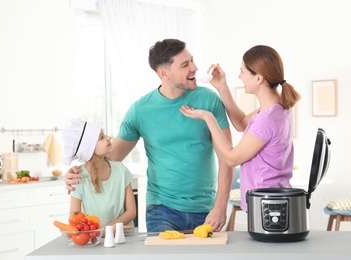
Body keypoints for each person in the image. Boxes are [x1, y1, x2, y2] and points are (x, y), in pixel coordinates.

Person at [65, 39, 233, 232]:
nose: (195, 68)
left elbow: (227, 158)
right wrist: (78, 173)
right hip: (161, 209)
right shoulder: (140, 110)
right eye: (185, 65)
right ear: (164, 73)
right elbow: (110, 158)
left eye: (192, 61)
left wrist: (220, 206)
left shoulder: (209, 100)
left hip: (207, 209)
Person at [180, 45, 301, 211]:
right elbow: (241, 123)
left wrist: (209, 118)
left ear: (258, 78)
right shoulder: (279, 107)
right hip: (274, 198)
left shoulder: (267, 119)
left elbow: (231, 158)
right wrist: (222, 87)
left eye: (242, 71)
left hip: (266, 202)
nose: (240, 76)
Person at [62, 119, 136, 235]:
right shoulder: (79, 178)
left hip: (123, 237)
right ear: (88, 149)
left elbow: (131, 211)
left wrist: (109, 229)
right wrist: (104, 232)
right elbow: (75, 220)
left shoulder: (121, 170)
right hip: (94, 241)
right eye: (101, 137)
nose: (108, 137)